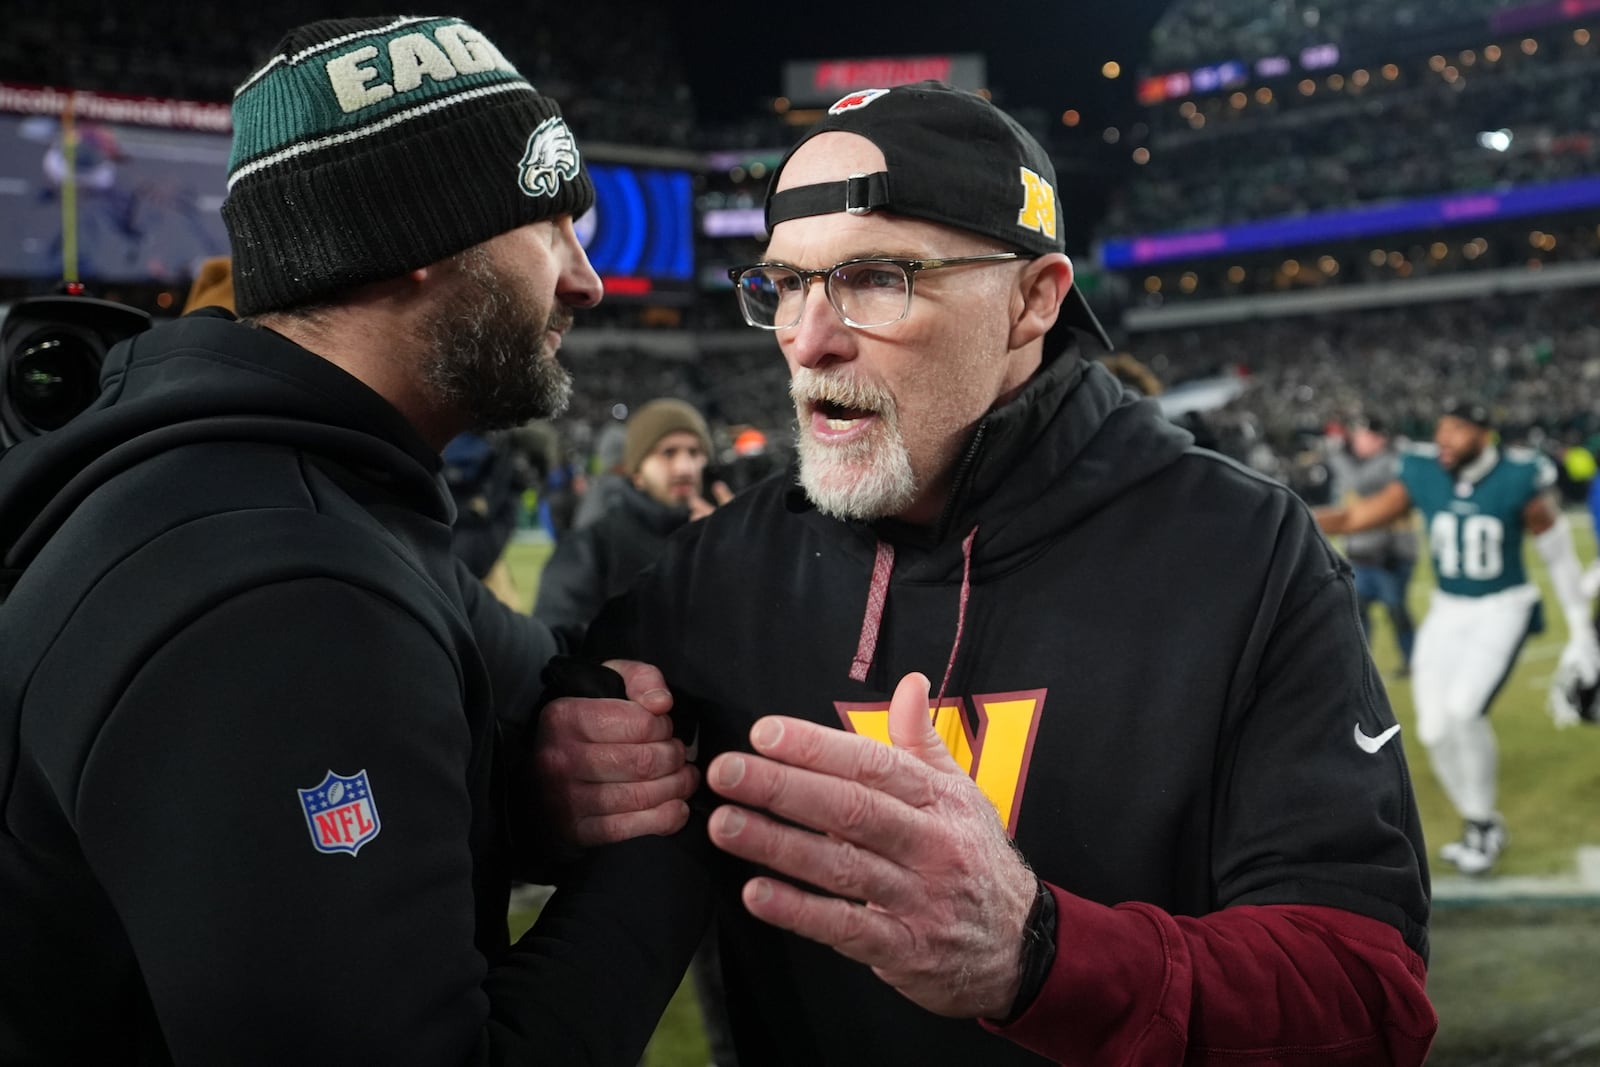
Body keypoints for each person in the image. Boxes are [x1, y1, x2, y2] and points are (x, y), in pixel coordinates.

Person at [537, 81, 1437, 1065]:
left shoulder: (1241, 552)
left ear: (1031, 299)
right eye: (784, 285)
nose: (806, 338)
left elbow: (1364, 993)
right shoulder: (714, 577)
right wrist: (552, 776)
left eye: (875, 277)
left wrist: (1037, 951)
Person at [0, 16, 702, 1064]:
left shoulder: (309, 482)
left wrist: (528, 786)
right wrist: (678, 842)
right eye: (550, 226)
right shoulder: (281, 586)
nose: (584, 279)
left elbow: (540, 693)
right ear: (418, 240)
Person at [1317, 402, 1600, 874]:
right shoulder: (1423, 471)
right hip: (1449, 610)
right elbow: (1356, 518)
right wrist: (1279, 512)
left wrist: (1579, 631)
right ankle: (1478, 820)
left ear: (1484, 435)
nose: (1444, 438)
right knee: (1431, 729)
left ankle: (1481, 823)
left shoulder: (1520, 476)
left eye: (1457, 429)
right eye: (1441, 428)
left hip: (1502, 606)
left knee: (1465, 711)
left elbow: (1558, 555)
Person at [535, 397, 721, 640]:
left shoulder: (723, 537)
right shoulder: (592, 545)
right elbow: (556, 647)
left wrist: (731, 547)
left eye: (695, 452)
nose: (685, 468)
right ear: (636, 473)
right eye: (668, 453)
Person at [1325, 417, 1418, 676]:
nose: (1355, 440)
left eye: (1362, 435)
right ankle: (1361, 664)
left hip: (1390, 553)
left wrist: (1336, 453)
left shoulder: (1391, 462)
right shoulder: (1360, 462)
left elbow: (1358, 483)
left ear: (1380, 439)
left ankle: (1413, 659)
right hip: (1362, 553)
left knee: (1396, 611)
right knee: (1357, 613)